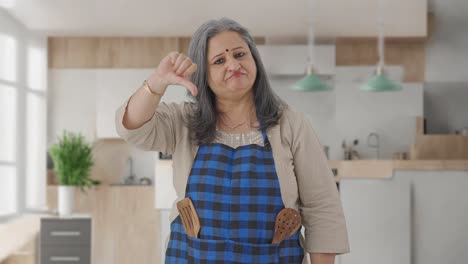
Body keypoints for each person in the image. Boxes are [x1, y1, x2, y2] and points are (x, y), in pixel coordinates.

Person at [116, 18, 349, 264]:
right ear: (204, 76)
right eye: (219, 60)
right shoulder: (183, 121)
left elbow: (322, 207)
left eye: (240, 54)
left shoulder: (290, 123)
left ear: (254, 60)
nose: (233, 64)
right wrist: (156, 83)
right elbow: (132, 128)